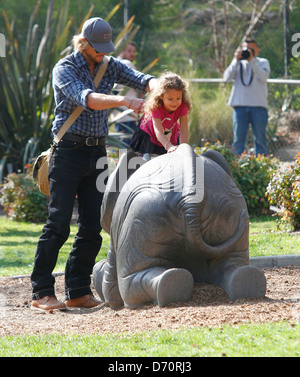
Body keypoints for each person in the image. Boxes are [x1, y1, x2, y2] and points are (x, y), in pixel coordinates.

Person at [30, 17, 157, 311]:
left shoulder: (109, 64)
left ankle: (77, 290)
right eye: (97, 48)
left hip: (97, 153)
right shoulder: (65, 68)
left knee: (92, 225)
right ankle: (41, 292)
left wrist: (158, 85)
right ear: (83, 43)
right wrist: (124, 102)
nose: (102, 53)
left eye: (105, 48)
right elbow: (87, 99)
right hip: (67, 152)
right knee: (58, 224)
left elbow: (139, 77)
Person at [223, 38, 270, 156]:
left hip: (258, 107)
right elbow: (226, 78)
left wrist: (252, 61)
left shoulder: (263, 62)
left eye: (251, 49)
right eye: (246, 49)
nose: (248, 52)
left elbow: (264, 77)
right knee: (238, 141)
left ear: (257, 50)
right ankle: (236, 168)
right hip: (240, 107)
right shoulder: (238, 63)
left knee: (260, 140)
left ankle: (262, 168)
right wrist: (235, 60)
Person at [130, 71, 191, 158]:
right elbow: (158, 131)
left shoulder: (182, 106)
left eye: (178, 98)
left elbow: (184, 129)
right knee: (147, 160)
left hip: (169, 132)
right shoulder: (156, 108)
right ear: (161, 96)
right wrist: (169, 146)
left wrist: (182, 147)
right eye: (170, 99)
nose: (175, 102)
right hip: (149, 134)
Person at [112, 42, 140, 145]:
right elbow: (139, 84)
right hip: (128, 114)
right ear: (121, 51)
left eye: (133, 51)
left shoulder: (112, 64)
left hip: (117, 115)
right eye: (129, 51)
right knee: (130, 150)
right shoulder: (127, 64)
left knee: (122, 149)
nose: (132, 54)